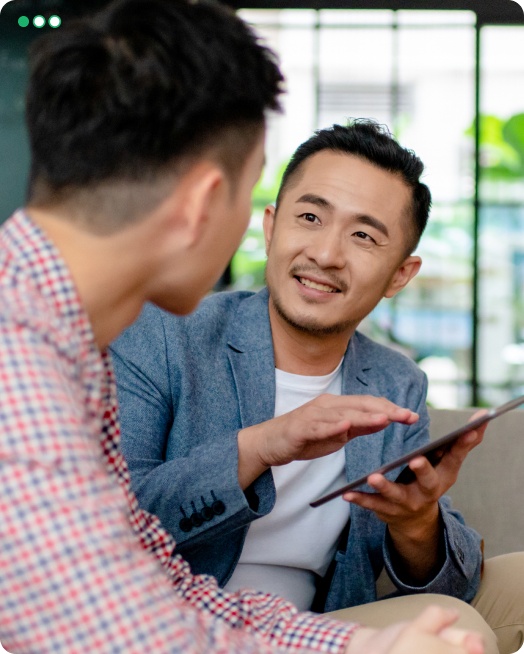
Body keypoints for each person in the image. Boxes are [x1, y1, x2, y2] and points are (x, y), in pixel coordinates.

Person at [0, 0, 487, 652]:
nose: (322, 252)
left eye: (363, 236)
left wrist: (359, 646)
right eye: (297, 212)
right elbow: (125, 634)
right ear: (212, 204)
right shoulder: (22, 358)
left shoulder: (63, 340)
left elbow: (163, 579)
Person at [112, 121, 520, 654]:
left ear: (401, 274)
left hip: (318, 626)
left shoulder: (396, 384)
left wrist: (417, 523)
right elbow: (106, 523)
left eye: (363, 236)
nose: (326, 254)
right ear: (271, 227)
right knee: (448, 626)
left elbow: (447, 583)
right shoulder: (162, 335)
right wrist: (262, 445)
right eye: (309, 218)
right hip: (173, 624)